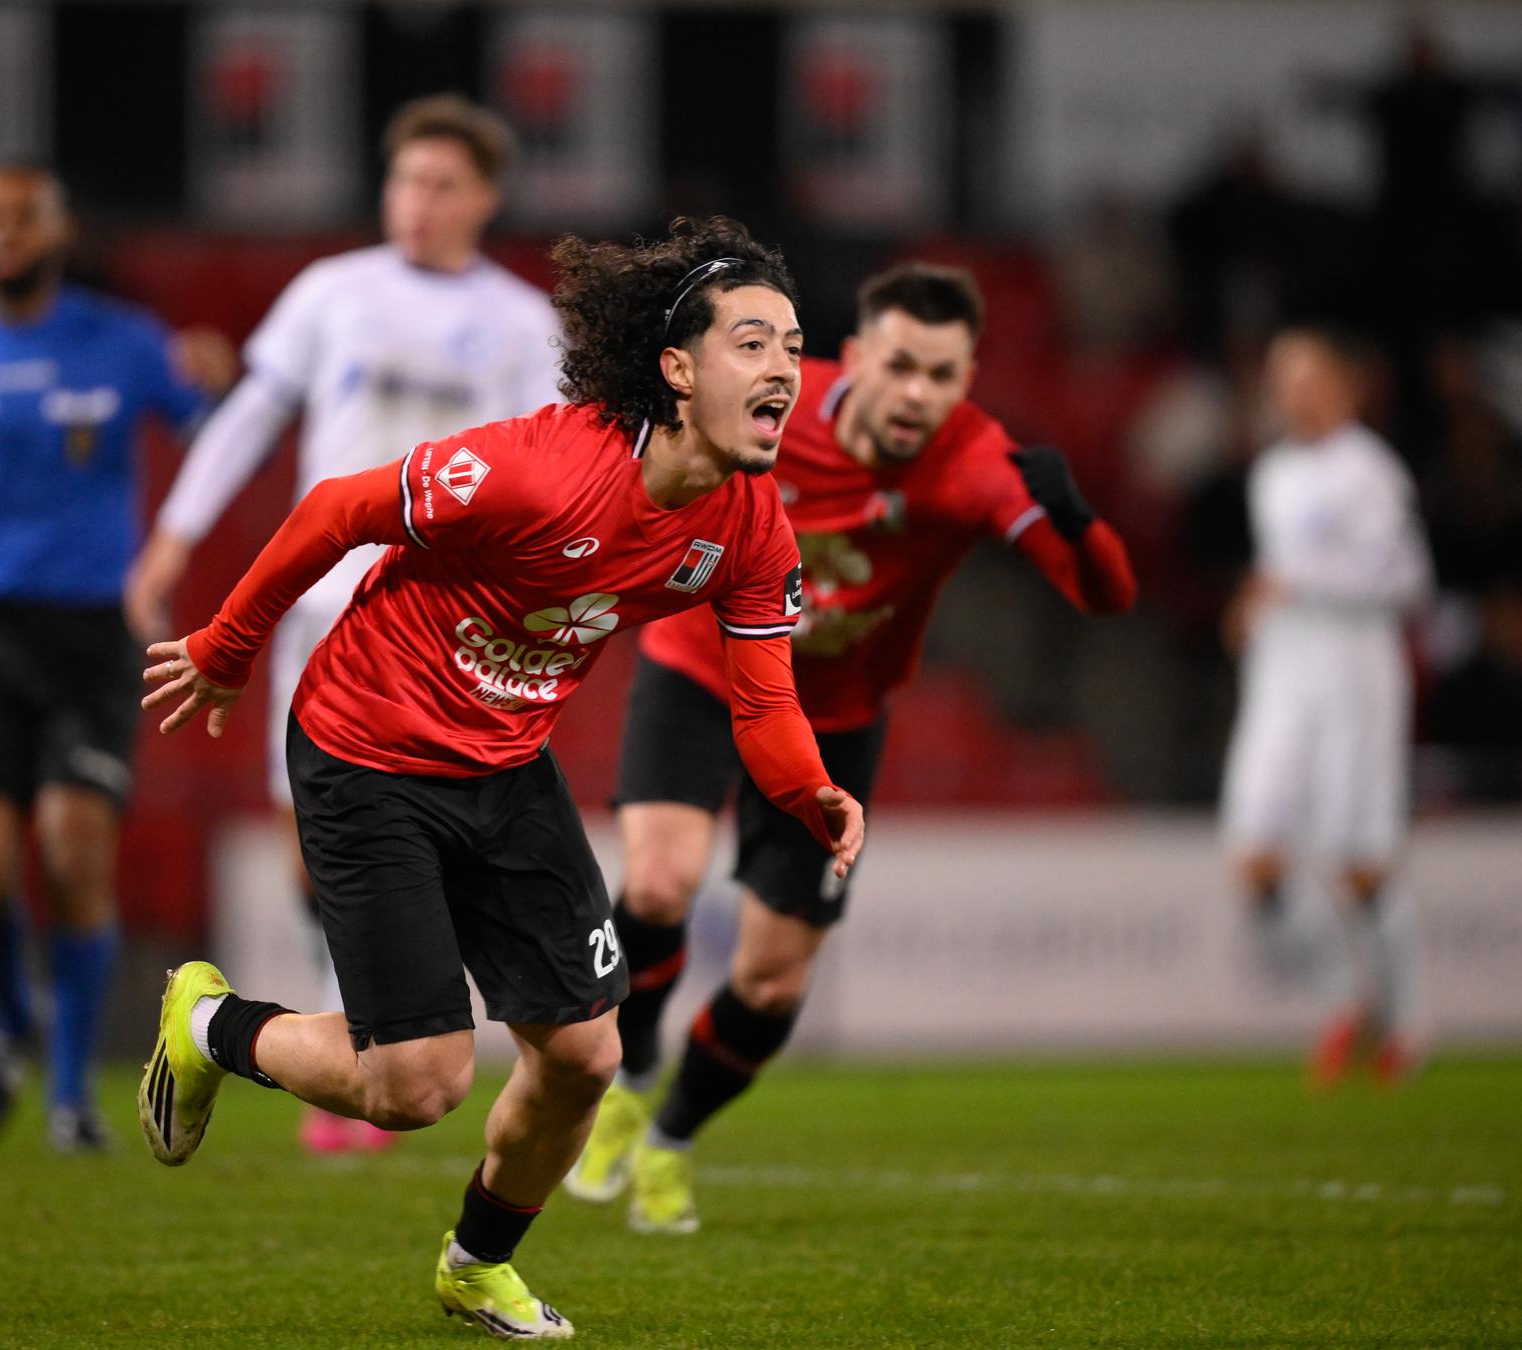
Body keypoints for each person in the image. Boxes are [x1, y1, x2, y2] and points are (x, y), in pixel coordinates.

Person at [135, 217, 863, 1340]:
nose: (785, 370)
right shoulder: (540, 467)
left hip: (507, 765)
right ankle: (212, 1023)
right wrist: (229, 648)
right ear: (675, 369)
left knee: (585, 1056)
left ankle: (478, 1265)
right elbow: (335, 511)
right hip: (366, 751)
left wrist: (809, 789)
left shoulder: (752, 526)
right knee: (415, 1088)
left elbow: (762, 700)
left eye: (794, 346)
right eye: (754, 344)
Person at [565, 262, 1139, 1234]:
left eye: (945, 375)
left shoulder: (974, 462)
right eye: (904, 365)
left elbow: (1105, 598)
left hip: (834, 714)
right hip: (704, 673)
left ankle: (671, 1139)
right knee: (660, 885)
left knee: (773, 979)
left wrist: (1075, 521)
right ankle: (637, 1066)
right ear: (860, 356)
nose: (920, 393)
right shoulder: (772, 401)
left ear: (967, 379)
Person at [124, 93, 562, 1155]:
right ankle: (362, 1027)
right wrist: (175, 538)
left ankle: (377, 1040)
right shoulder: (332, 293)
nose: (417, 202)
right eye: (405, 180)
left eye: (442, 184)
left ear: (484, 198)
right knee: (310, 847)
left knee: (435, 833)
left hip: (447, 618)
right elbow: (251, 418)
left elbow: (551, 469)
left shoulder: (518, 321)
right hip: (325, 604)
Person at [0, 163, 232, 1152]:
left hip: (92, 633)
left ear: (61, 229)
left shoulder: (123, 339)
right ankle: (8, 1023)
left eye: (26, 216)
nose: (6, 231)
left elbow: (209, 425)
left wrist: (215, 378)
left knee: (72, 849)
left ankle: (68, 1094)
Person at [1220, 324, 1433, 1087]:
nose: (1292, 391)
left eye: (1307, 375)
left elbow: (1406, 580)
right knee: (1254, 853)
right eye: (1282, 377)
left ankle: (1406, 1024)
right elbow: (1281, 567)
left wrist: (1302, 585)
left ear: (1342, 384)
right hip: (1282, 674)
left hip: (1354, 673)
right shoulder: (1272, 472)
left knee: (1359, 860)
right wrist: (1256, 602)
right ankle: (1342, 999)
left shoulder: (1370, 472)